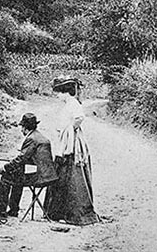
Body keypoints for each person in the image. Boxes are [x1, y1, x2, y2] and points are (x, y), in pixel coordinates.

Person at [45, 75, 100, 225]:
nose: (57, 96)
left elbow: (79, 118)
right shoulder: (68, 104)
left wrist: (68, 130)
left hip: (72, 143)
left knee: (73, 176)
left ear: (65, 92)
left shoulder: (73, 103)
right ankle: (59, 212)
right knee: (63, 175)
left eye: (58, 92)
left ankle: (75, 213)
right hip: (65, 141)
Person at [0, 113, 58, 217]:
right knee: (17, 176)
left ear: (25, 127)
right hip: (48, 176)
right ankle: (13, 210)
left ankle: (0, 210)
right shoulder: (40, 137)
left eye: (22, 127)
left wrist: (5, 167)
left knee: (6, 177)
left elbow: (21, 159)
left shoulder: (31, 139)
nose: (21, 130)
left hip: (40, 177)